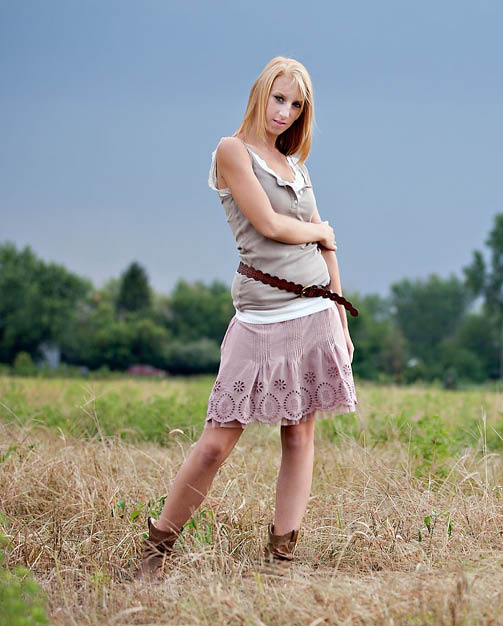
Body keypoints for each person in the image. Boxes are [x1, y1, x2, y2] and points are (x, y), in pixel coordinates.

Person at [134, 56, 357, 581]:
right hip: (258, 316)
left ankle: (281, 560)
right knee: (216, 443)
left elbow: (328, 249)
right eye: (279, 98)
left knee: (299, 438)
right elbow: (269, 225)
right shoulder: (231, 151)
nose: (285, 112)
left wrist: (341, 317)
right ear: (260, 94)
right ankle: (156, 551)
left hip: (315, 310)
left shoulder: (295, 165)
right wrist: (321, 230)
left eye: (296, 105)